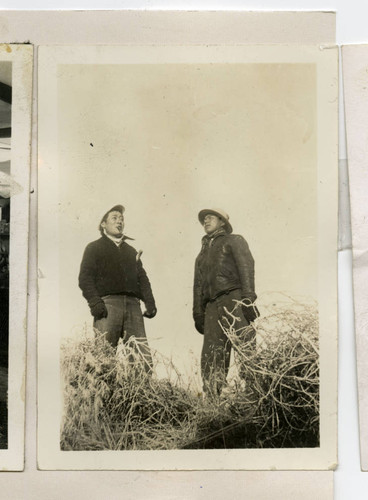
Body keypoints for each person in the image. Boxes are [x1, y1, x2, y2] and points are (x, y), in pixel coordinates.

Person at [79, 205, 156, 371]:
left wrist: (150, 303)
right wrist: (95, 303)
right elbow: (85, 278)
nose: (119, 221)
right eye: (114, 217)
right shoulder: (94, 248)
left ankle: (139, 396)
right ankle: (101, 396)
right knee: (103, 359)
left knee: (142, 360)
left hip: (133, 308)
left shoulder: (131, 251)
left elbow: (142, 278)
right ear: (103, 224)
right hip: (108, 306)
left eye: (121, 218)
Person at [193, 208, 259, 395]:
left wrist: (248, 298)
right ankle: (213, 401)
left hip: (233, 298)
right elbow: (198, 285)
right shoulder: (201, 254)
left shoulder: (234, 240)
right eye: (203, 219)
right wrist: (198, 312)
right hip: (211, 306)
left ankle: (255, 394)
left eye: (210, 217)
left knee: (245, 345)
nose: (206, 221)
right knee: (211, 355)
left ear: (222, 222)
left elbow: (246, 267)